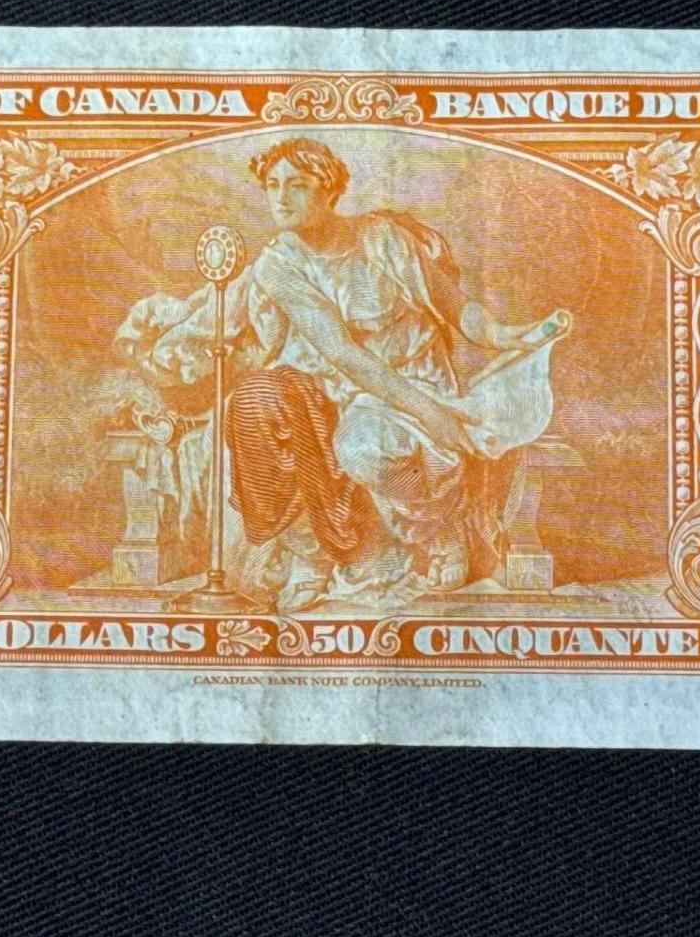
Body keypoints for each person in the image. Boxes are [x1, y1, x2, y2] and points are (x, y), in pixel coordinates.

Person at [117, 137, 565, 611]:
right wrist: (431, 417)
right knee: (260, 409)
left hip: (415, 381)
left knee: (367, 450)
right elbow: (343, 353)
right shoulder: (278, 265)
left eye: (297, 185)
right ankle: (312, 551)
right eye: (272, 186)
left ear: (330, 191)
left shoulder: (383, 239)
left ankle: (439, 527)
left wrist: (509, 336)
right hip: (344, 389)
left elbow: (458, 309)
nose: (281, 198)